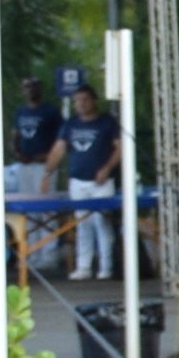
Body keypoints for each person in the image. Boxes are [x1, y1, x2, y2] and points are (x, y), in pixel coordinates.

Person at [57, 72, 122, 279]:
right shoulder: (70, 125)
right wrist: (47, 171)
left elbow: (119, 149)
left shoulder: (107, 123)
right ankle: (83, 266)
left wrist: (107, 168)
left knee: (101, 223)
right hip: (78, 181)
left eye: (85, 100)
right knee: (82, 224)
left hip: (101, 182)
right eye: (77, 101)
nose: (81, 104)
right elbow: (59, 148)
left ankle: (106, 267)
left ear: (94, 100)